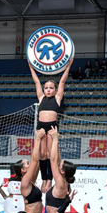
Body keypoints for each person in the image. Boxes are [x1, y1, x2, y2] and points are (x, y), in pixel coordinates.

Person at [28, 56, 72, 191]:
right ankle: (44, 178)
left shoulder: (57, 98)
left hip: (52, 127)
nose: (47, 90)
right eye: (46, 87)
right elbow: (36, 82)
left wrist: (68, 66)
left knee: (50, 154)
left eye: (51, 88)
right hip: (41, 126)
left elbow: (63, 81)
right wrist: (31, 66)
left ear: (55, 90)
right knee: (41, 154)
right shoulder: (41, 98)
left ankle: (50, 179)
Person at [13, 129, 44, 213]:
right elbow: (35, 161)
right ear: (23, 170)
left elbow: (38, 161)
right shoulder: (25, 182)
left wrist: (43, 141)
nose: (30, 164)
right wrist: (38, 139)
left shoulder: (30, 181)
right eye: (27, 164)